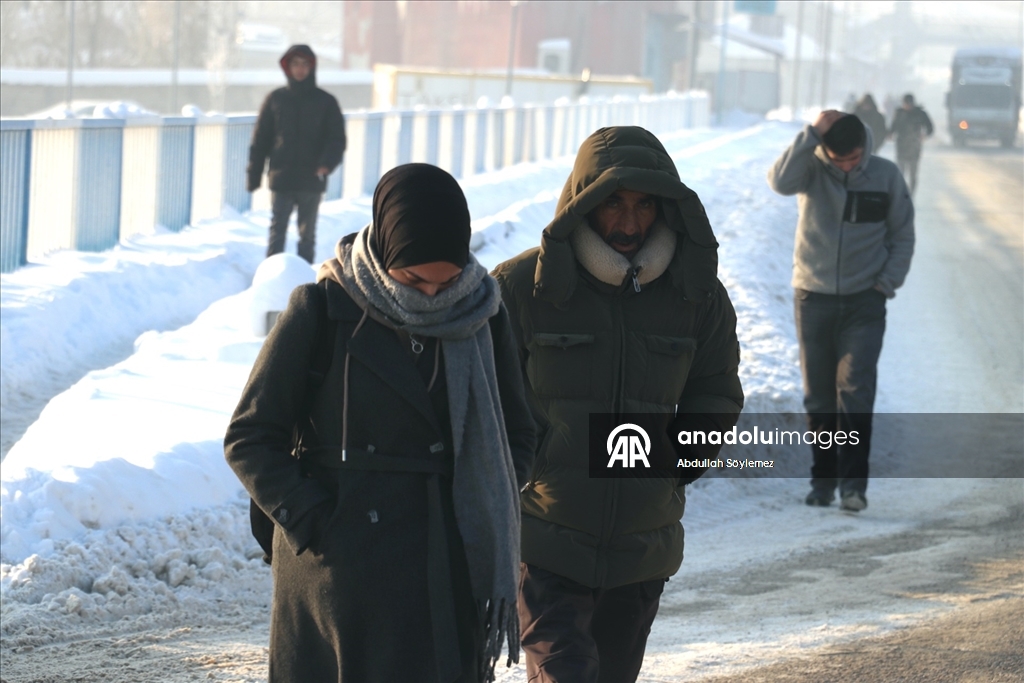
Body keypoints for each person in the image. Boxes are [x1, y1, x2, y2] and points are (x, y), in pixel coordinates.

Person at [225, 164, 536, 682]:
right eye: (413, 280)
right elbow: (250, 436)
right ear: (387, 249)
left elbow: (520, 433)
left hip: (448, 565)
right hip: (342, 577)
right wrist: (317, 520)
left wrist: (491, 493)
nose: (433, 298)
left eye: (449, 282)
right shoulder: (322, 310)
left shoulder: (484, 314)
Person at [491, 126, 744, 682]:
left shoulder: (697, 296)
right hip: (545, 539)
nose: (629, 224)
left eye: (644, 205)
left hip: (640, 548)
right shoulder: (519, 288)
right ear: (582, 202)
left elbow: (716, 393)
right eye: (612, 204)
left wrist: (673, 467)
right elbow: (487, 398)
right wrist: (531, 475)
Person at [767, 111, 915, 512]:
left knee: (854, 392)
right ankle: (822, 483)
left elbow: (903, 234)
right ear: (824, 151)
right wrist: (811, 133)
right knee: (818, 398)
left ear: (864, 147)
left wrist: (885, 284)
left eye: (853, 158)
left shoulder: (885, 175)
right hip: (812, 299)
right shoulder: (811, 169)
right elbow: (779, 182)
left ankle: (853, 487)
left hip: (864, 302)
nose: (847, 166)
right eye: (839, 160)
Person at [247, 44, 346, 264]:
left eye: (304, 64)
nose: (300, 69)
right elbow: (261, 139)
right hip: (282, 176)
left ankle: (305, 283)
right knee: (277, 230)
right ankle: (271, 277)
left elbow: (337, 139)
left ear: (312, 67)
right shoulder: (275, 99)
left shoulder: (326, 102)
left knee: (307, 234)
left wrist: (326, 165)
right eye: (295, 64)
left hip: (312, 177)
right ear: (287, 67)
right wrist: (254, 174)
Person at [888, 93, 933, 195]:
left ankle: (911, 195)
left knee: (913, 174)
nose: (907, 106)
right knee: (900, 173)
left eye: (909, 104)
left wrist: (924, 135)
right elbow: (894, 125)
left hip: (914, 146)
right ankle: (900, 193)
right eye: (905, 104)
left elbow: (930, 127)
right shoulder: (899, 113)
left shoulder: (920, 113)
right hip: (901, 146)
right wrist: (890, 133)